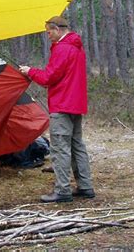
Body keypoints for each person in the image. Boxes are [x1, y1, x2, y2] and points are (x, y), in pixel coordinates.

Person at [19, 16, 95, 203]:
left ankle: (62, 191)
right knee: (77, 145)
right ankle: (85, 186)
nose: (48, 36)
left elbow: (48, 77)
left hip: (62, 105)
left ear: (58, 29)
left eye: (49, 32)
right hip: (75, 104)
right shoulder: (77, 47)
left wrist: (30, 71)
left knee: (60, 148)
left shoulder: (62, 49)